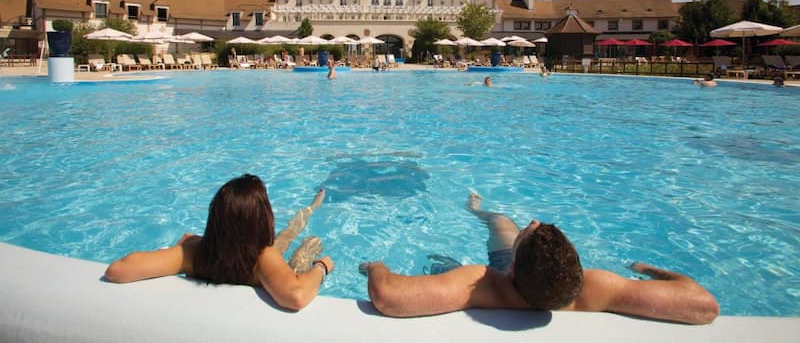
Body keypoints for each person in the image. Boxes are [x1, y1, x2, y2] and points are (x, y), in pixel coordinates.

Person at [360, 192, 719, 325]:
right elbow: (704, 306)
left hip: (505, 285)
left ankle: (480, 214)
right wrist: (651, 270)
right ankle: (480, 211)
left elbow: (390, 295)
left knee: (444, 262)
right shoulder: (596, 287)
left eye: (528, 232)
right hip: (533, 276)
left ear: (511, 266)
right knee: (501, 221)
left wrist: (375, 267)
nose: (532, 222)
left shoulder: (484, 281)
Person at [105, 174, 333, 311]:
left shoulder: (194, 252)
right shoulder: (263, 257)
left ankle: (312, 206)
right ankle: (312, 209)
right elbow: (296, 296)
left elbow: (118, 269)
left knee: (285, 237)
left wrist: (179, 249)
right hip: (275, 272)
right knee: (309, 244)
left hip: (228, 252)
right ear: (262, 220)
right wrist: (321, 267)